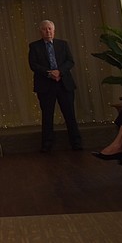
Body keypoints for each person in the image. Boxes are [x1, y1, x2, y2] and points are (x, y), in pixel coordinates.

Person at [28, 19, 83, 152]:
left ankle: (76, 143)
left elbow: (70, 61)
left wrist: (59, 72)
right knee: (47, 115)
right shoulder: (34, 46)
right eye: (44, 29)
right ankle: (47, 145)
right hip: (45, 85)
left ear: (54, 30)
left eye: (50, 29)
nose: (48, 31)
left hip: (64, 84)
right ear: (40, 31)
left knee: (70, 114)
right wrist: (49, 73)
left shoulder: (63, 44)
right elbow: (33, 65)